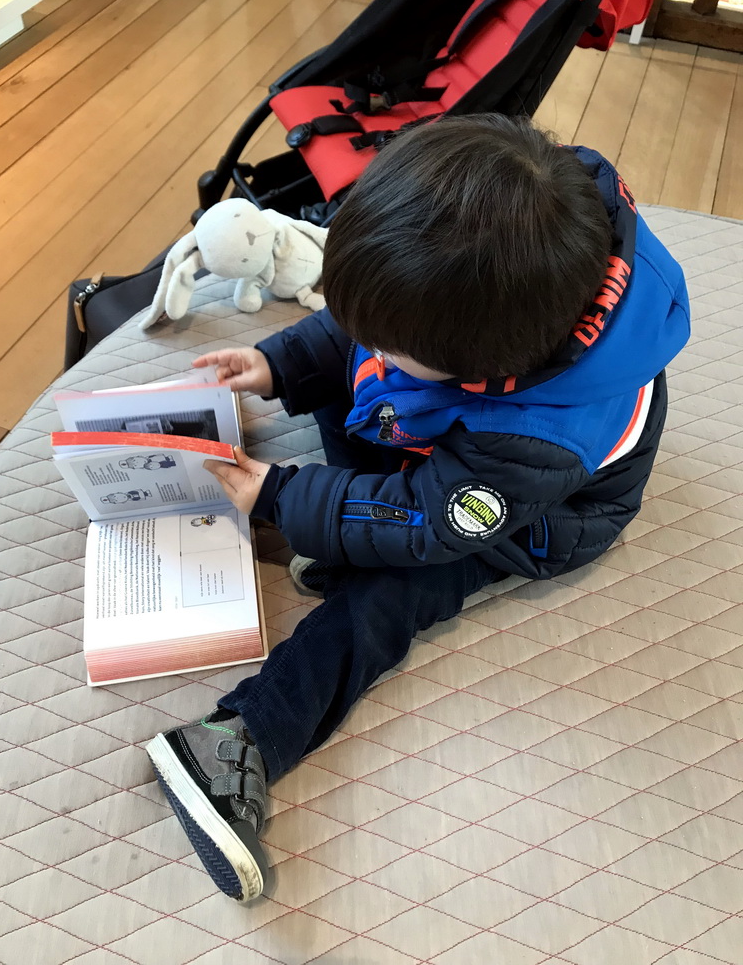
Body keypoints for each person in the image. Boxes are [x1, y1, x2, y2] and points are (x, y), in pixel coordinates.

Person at [145, 114, 690, 903]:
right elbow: (365, 329)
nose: (367, 338)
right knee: (357, 385)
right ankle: (342, 527)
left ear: (481, 368)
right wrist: (275, 363)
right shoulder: (480, 287)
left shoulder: (537, 438)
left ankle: (237, 741)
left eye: (391, 342)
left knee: (392, 591)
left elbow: (431, 522)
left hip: (526, 514)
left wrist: (283, 496)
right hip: (463, 436)